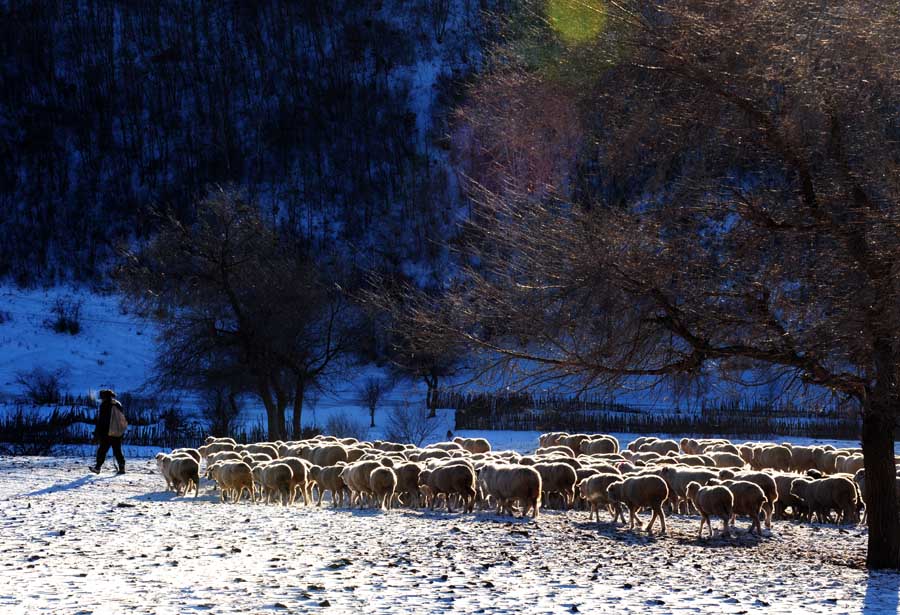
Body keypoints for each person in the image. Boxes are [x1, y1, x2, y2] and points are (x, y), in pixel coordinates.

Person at [89, 389, 126, 475]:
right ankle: (122, 467)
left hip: (106, 432)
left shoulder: (105, 405)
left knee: (102, 450)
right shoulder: (118, 404)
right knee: (117, 450)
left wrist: (97, 433)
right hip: (117, 431)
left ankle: (98, 467)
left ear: (104, 397)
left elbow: (102, 420)